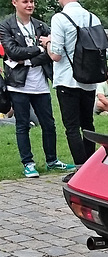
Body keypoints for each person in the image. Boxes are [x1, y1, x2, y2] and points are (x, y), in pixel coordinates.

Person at [0, 0, 74, 178]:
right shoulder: (6, 25)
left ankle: (52, 160)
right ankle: (28, 163)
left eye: (32, 1)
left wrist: (29, 58)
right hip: (18, 85)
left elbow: (52, 52)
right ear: (15, 3)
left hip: (41, 85)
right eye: (25, 1)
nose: (30, 5)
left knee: (49, 124)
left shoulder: (41, 25)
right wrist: (40, 47)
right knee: (22, 125)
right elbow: (13, 52)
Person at [41, 0, 102, 182]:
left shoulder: (60, 18)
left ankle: (80, 170)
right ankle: (90, 167)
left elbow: (56, 54)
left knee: (72, 126)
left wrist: (48, 42)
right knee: (88, 124)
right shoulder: (93, 18)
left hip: (68, 79)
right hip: (90, 78)